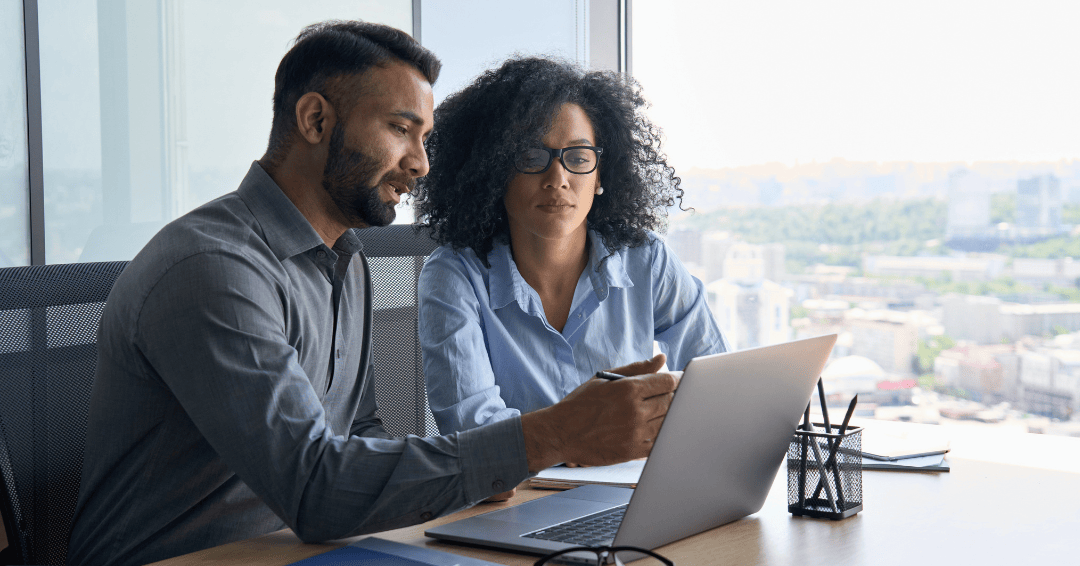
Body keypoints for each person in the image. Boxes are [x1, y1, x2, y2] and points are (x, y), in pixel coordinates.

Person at [66, 22, 677, 566]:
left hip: (311, 550)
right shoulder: (214, 269)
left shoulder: (346, 261)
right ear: (315, 121)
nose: (421, 164)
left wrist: (481, 467)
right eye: (399, 130)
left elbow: (359, 434)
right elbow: (315, 490)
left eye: (425, 137)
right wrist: (550, 435)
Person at [414, 57, 727, 447]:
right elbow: (475, 436)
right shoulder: (454, 275)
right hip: (519, 497)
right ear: (494, 171)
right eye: (531, 157)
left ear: (600, 176)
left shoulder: (646, 259)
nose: (557, 179)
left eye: (578, 158)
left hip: (631, 487)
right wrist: (583, 438)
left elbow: (716, 385)